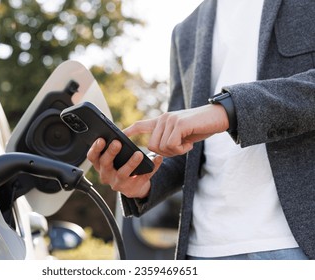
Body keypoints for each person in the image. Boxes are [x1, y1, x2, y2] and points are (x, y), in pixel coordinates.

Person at [87, 0, 315, 260]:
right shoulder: (185, 30)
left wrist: (226, 110)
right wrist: (144, 182)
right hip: (202, 249)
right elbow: (184, 148)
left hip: (296, 244)